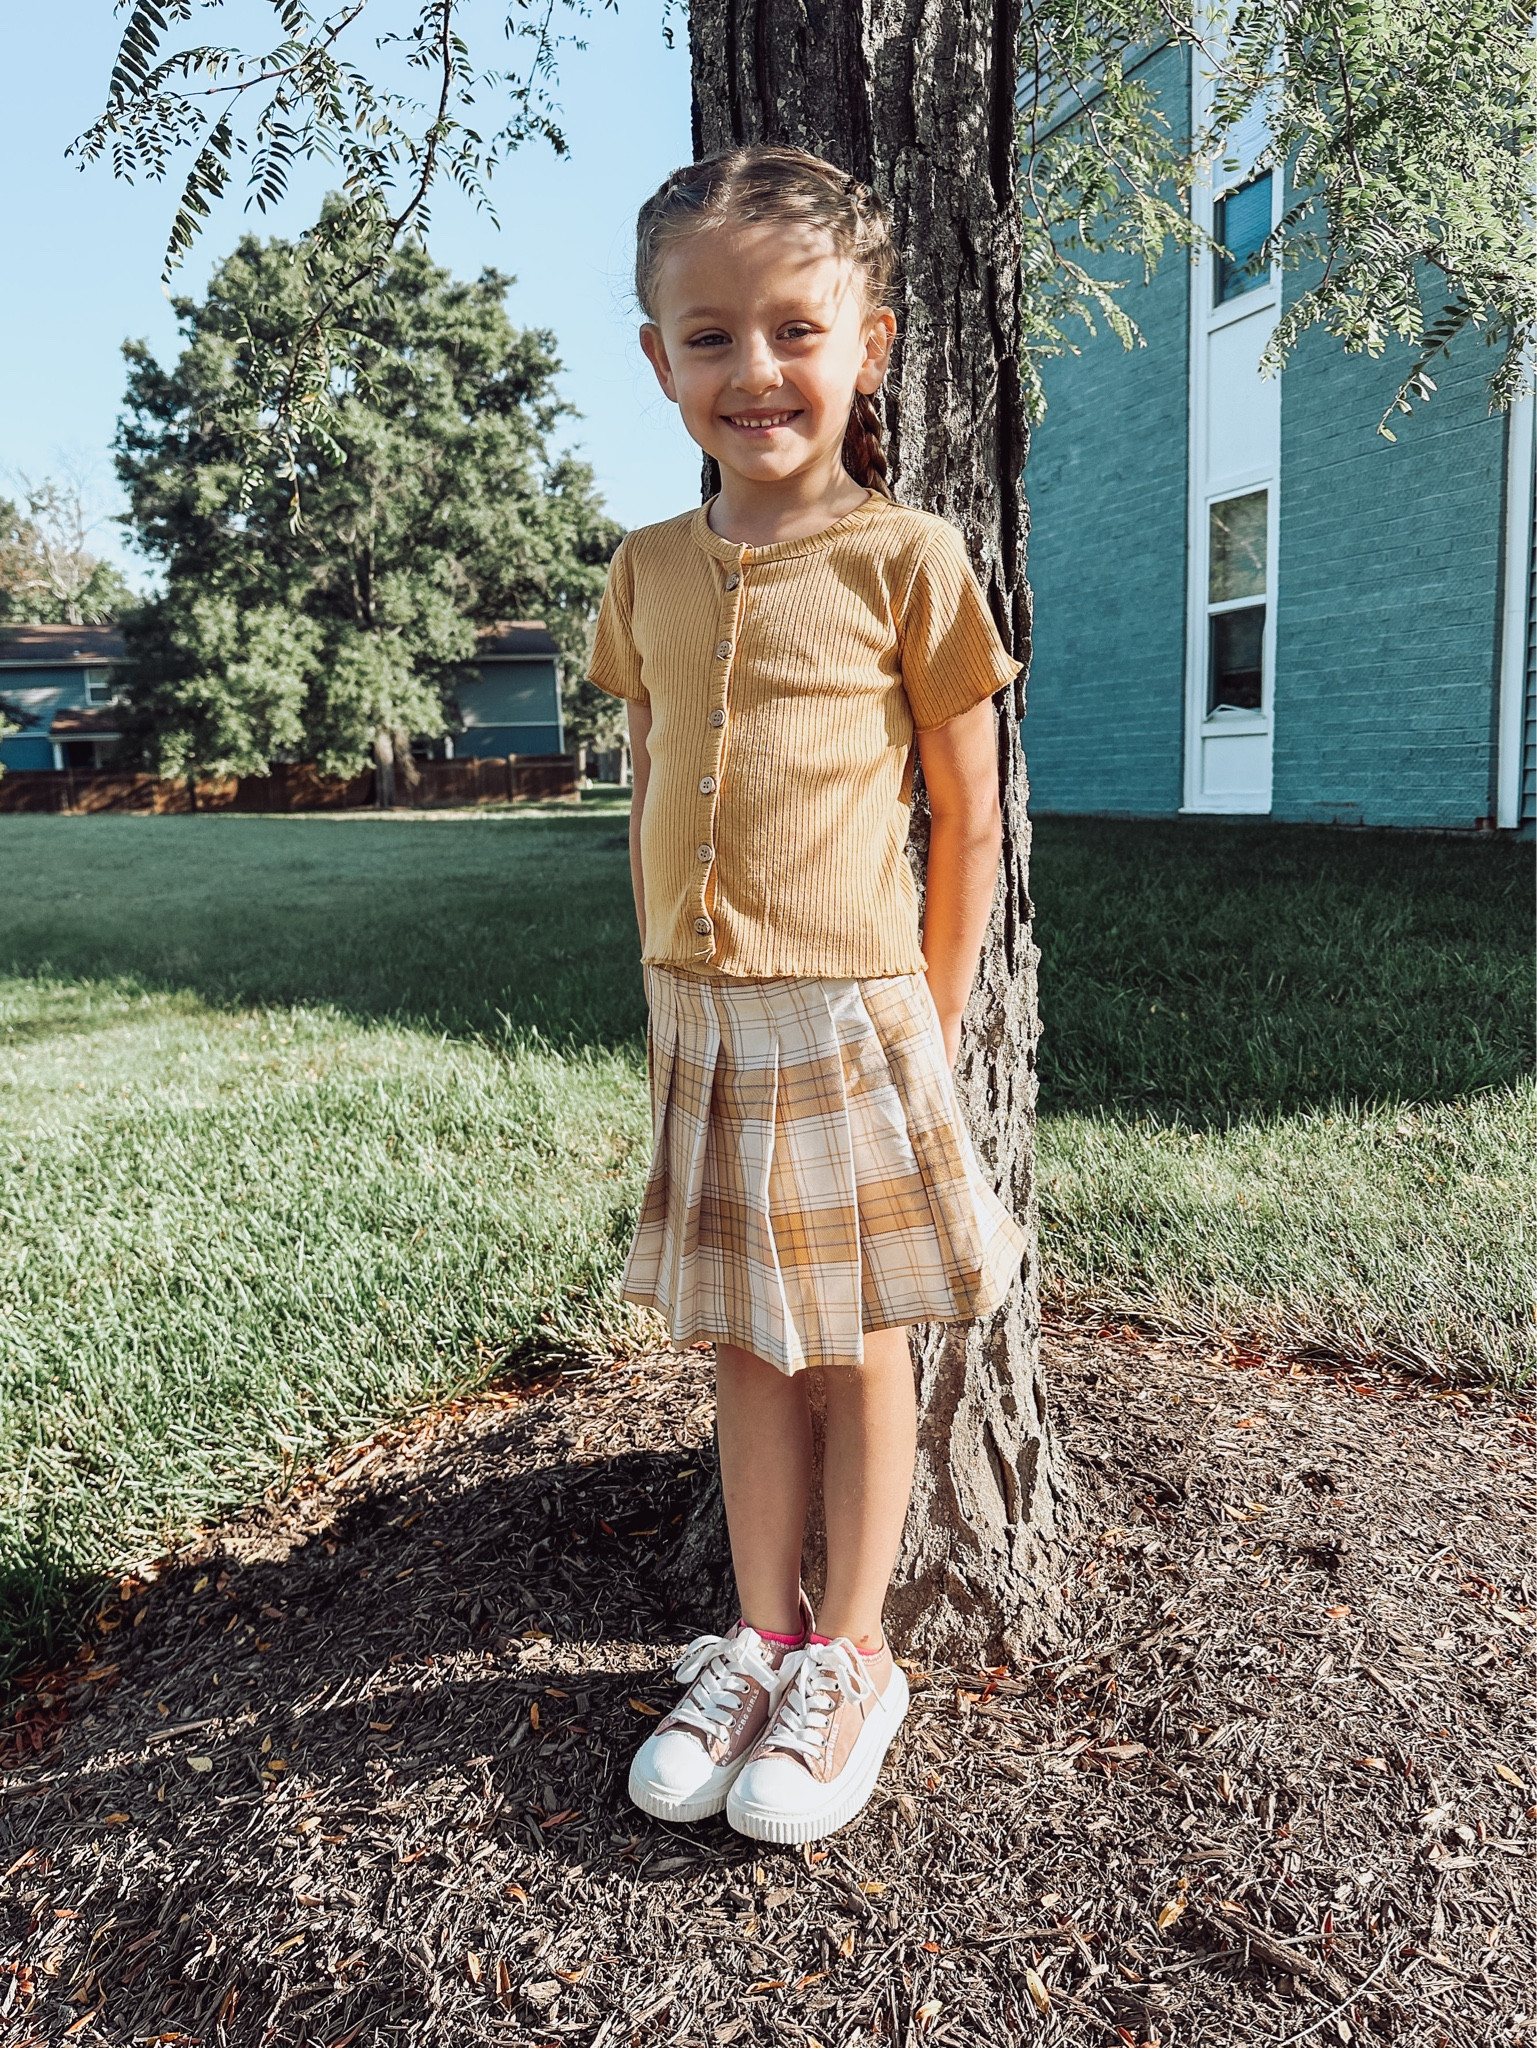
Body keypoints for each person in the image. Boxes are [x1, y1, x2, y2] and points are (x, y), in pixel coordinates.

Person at [586, 144, 1027, 1846]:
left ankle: (853, 1656)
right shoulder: (643, 569)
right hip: (701, 1015)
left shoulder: (908, 558)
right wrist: (655, 978)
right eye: (708, 338)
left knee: (856, 1343)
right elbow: (644, 773)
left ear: (871, 343)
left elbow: (970, 808)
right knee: (743, 1344)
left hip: (852, 1011)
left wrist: (925, 1005)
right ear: (655, 359)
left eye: (792, 330)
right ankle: (757, 1639)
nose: (752, 372)